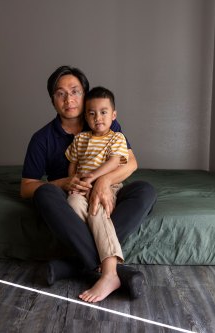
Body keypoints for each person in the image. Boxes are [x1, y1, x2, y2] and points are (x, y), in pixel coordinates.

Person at [21, 65, 157, 302]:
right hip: (71, 199)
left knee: (145, 190)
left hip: (107, 193)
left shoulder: (100, 120)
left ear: (85, 94)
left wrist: (103, 181)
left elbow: (130, 163)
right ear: (52, 99)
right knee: (44, 193)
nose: (69, 99)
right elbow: (26, 187)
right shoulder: (42, 138)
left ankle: (74, 265)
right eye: (60, 93)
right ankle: (112, 272)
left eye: (75, 91)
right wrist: (63, 182)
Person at [65, 86, 128, 302]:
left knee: (96, 209)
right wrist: (73, 183)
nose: (97, 118)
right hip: (82, 187)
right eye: (91, 113)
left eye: (103, 112)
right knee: (73, 202)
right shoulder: (80, 139)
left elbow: (114, 162)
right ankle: (98, 249)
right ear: (85, 116)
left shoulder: (116, 137)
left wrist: (93, 177)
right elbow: (72, 164)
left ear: (113, 115)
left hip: (107, 186)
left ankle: (110, 273)